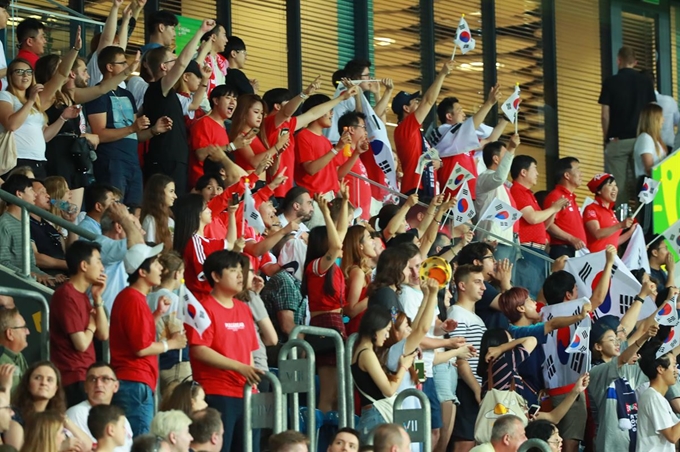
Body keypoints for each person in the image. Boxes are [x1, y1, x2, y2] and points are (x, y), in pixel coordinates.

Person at [186, 250, 262, 452]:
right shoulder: (203, 309)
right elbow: (199, 349)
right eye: (233, 270)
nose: (240, 275)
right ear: (216, 276)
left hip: (246, 393)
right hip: (217, 392)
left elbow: (249, 351)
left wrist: (253, 384)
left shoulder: (244, 308)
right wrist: (240, 368)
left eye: (241, 270)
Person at [110, 243, 187, 436]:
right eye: (155, 263)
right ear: (142, 272)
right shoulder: (134, 299)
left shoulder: (134, 298)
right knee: (141, 441)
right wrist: (172, 344)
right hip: (134, 382)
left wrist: (157, 315)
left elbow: (137, 335)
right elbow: (140, 348)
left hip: (134, 381)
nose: (161, 268)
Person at [85, 46, 171, 205]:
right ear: (110, 67)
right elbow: (99, 135)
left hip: (132, 161)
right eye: (123, 63)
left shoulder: (127, 95)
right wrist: (132, 128)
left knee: (136, 210)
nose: (127, 67)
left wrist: (153, 130)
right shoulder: (97, 94)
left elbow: (134, 135)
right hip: (112, 161)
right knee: (115, 210)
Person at [143, 20, 216, 194]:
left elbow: (193, 104)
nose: (177, 65)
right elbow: (183, 62)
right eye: (173, 61)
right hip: (165, 158)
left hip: (175, 158)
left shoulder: (170, 94)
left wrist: (204, 80)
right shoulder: (158, 88)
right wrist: (200, 31)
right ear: (163, 67)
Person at [589, 294, 659, 452]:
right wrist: (644, 337)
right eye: (610, 339)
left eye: (616, 338)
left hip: (633, 440)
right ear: (598, 346)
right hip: (610, 444)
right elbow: (620, 360)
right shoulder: (595, 372)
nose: (616, 342)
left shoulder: (628, 367)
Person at [302, 192, 349, 414]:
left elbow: (341, 234)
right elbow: (337, 245)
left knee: (340, 395)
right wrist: (326, 213)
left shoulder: (329, 266)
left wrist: (346, 202)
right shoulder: (316, 266)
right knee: (329, 393)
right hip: (325, 324)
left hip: (335, 322)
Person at [49, 240, 109, 407]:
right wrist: (91, 325)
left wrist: (97, 299)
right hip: (73, 376)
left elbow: (104, 334)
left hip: (86, 375)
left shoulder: (83, 296)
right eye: (98, 261)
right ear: (84, 265)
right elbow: (81, 344)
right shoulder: (66, 295)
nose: (102, 268)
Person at [599, 46, 656, 206]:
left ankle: (622, 222)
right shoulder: (645, 82)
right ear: (635, 62)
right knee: (642, 182)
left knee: (618, 187)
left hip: (618, 141)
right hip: (642, 140)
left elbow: (605, 115)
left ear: (619, 60)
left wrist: (607, 138)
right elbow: (652, 111)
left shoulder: (610, 82)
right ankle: (645, 221)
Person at [351, 305, 416, 443]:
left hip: (372, 415)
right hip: (375, 417)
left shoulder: (360, 351)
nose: (387, 336)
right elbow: (389, 390)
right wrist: (404, 366)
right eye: (386, 330)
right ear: (375, 329)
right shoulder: (366, 354)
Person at [392, 60, 455, 196]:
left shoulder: (416, 132)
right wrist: (442, 74)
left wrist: (439, 163)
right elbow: (428, 101)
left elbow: (429, 156)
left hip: (426, 188)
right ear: (406, 108)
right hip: (415, 189)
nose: (419, 104)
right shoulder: (404, 128)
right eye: (415, 102)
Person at [428, 87, 504, 199]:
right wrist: (489, 103)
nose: (464, 114)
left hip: (470, 193)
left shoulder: (463, 140)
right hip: (454, 196)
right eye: (460, 110)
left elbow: (489, 141)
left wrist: (506, 118)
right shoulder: (442, 131)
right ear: (449, 116)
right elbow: (471, 126)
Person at [79, 184, 144, 312]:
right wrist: (124, 218)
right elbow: (139, 246)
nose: (143, 232)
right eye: (136, 227)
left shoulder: (119, 249)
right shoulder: (102, 245)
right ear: (119, 227)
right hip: (101, 321)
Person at [510, 155, 567, 298]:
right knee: (532, 294)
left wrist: (556, 210)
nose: (538, 174)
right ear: (523, 172)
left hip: (538, 251)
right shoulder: (517, 191)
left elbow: (543, 225)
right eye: (535, 169)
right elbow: (532, 218)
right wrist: (553, 208)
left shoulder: (529, 194)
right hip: (528, 251)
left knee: (541, 294)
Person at [7, 361, 92, 451]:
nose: (44, 383)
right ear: (28, 385)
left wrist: (64, 420)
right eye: (38, 378)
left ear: (56, 389)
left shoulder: (56, 416)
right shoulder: (14, 416)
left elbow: (86, 446)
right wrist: (59, 448)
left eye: (49, 380)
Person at [448, 264, 487, 452]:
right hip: (466, 385)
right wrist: (477, 389)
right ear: (462, 286)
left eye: (483, 282)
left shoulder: (474, 317)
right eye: (477, 282)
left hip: (474, 385)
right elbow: (460, 358)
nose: (483, 287)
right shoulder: (457, 314)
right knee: (465, 442)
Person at [293, 90, 357, 200]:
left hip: (332, 197)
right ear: (318, 111)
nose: (332, 113)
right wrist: (336, 148)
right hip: (315, 198)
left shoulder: (325, 140)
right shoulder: (302, 136)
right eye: (329, 110)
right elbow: (311, 169)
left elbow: (337, 174)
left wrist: (357, 152)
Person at [172, 194, 237, 300]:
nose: (210, 210)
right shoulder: (194, 242)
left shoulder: (204, 241)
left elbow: (231, 244)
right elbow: (204, 273)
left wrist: (231, 213)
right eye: (206, 207)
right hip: (201, 302)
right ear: (197, 213)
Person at [188, 84, 251, 189]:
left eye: (235, 99)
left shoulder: (223, 127)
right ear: (216, 101)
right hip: (203, 185)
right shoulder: (204, 122)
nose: (233, 102)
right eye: (228, 98)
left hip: (219, 186)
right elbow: (201, 154)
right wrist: (232, 146)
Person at [65, 362, 134, 452]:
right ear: (85, 386)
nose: (98, 384)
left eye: (105, 379)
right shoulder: (77, 412)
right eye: (93, 379)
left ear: (116, 386)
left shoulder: (122, 418)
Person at [147, 251, 190, 390]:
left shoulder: (148, 297)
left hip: (156, 360)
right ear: (177, 274)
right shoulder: (173, 299)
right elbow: (177, 334)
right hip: (175, 363)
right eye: (182, 273)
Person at [0, 175, 53, 285]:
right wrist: (31, 275)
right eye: (30, 190)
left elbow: (31, 264)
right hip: (16, 283)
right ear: (19, 194)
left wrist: (46, 276)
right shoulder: (4, 223)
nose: (35, 194)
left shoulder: (24, 223)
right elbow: (2, 263)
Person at [474, 139, 520, 263]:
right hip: (494, 240)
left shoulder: (504, 184)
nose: (509, 158)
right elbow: (499, 177)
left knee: (507, 280)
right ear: (496, 159)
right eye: (506, 155)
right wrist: (511, 148)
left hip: (508, 239)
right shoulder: (485, 178)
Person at [456, 242, 513, 330]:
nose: (495, 262)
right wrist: (505, 282)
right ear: (477, 262)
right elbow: (513, 306)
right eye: (491, 258)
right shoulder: (479, 287)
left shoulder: (488, 284)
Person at [637, 339, 680, 452]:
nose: (677, 371)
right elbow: (672, 436)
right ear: (660, 369)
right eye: (674, 366)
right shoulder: (652, 397)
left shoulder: (658, 397)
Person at [230, 93, 289, 173]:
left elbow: (272, 171)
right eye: (256, 112)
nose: (260, 116)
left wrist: (279, 152)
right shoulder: (240, 136)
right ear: (243, 112)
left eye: (262, 113)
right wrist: (277, 146)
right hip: (247, 182)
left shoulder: (259, 136)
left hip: (261, 182)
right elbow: (254, 162)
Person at [543, 157, 587, 259]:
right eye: (578, 170)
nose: (581, 174)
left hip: (575, 251)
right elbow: (549, 225)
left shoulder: (571, 197)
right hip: (563, 251)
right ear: (567, 175)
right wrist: (571, 238)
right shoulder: (556, 196)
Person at [583, 173, 637, 252]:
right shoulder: (591, 208)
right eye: (610, 185)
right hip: (595, 259)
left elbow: (614, 241)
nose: (614, 188)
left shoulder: (610, 212)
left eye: (615, 185)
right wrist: (620, 225)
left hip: (609, 259)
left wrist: (631, 232)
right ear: (599, 191)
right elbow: (597, 234)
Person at [29, 179, 71, 277]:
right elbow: (35, 257)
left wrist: (70, 222)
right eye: (42, 192)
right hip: (45, 276)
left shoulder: (48, 225)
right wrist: (66, 265)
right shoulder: (25, 223)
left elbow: (68, 251)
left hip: (63, 275)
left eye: (47, 192)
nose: (48, 195)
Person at [335, 111, 372, 219]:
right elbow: (337, 175)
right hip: (352, 216)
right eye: (363, 127)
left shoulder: (354, 153)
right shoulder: (341, 151)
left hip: (362, 216)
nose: (366, 132)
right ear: (351, 129)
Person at [342, 225, 377, 335]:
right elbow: (351, 310)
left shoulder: (362, 271)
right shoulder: (358, 272)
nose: (373, 242)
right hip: (357, 330)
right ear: (360, 245)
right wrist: (374, 294)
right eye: (369, 238)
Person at [141, 174, 177, 250]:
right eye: (171, 191)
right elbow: (149, 250)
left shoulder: (170, 220)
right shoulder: (150, 220)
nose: (175, 196)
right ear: (159, 193)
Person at [634, 103, 667, 179]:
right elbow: (649, 169)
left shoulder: (655, 139)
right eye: (661, 116)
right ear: (654, 119)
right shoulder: (645, 138)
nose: (663, 119)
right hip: (649, 185)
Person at [0, 308, 29, 390]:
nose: (28, 332)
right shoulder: (2, 360)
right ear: (10, 334)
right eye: (23, 328)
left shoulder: (18, 355)